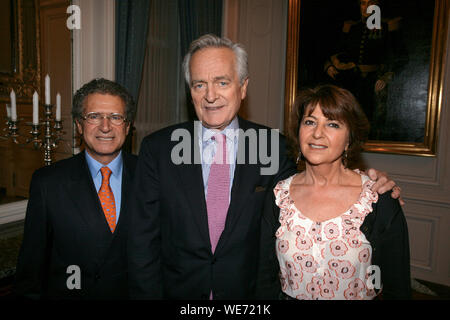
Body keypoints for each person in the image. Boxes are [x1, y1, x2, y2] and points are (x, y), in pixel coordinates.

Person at [127, 34, 401, 300]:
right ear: (190, 91)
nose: (210, 96)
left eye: (222, 82)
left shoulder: (274, 147)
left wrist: (371, 182)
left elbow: (313, 188)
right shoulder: (159, 149)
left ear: (243, 87)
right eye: (199, 84)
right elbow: (142, 241)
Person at [257, 84, 411, 300]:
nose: (317, 133)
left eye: (332, 124)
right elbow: (264, 280)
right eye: (310, 122)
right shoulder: (278, 196)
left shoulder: (377, 198)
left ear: (349, 139)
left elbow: (398, 288)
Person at [13, 78, 137, 299]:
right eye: (94, 116)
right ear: (79, 125)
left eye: (115, 117)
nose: (106, 126)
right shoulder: (48, 183)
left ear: (127, 126)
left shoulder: (151, 175)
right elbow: (30, 272)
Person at [324, 0, 403, 139]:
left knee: (369, 121)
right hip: (350, 80)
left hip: (373, 81)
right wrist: (329, 65)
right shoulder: (352, 27)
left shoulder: (387, 26)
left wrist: (385, 77)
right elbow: (338, 51)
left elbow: (399, 56)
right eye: (362, 3)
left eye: (370, 3)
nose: (365, 7)